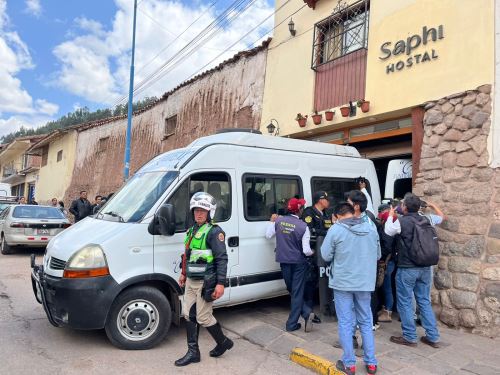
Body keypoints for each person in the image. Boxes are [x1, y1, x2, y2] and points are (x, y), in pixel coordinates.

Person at [321, 202, 380, 375]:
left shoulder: (336, 229)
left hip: (342, 282)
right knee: (366, 321)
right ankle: (371, 363)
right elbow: (377, 255)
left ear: (337, 216)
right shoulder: (371, 229)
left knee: (346, 323)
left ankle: (349, 364)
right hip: (364, 282)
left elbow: (325, 255)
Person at [175, 192, 233, 367]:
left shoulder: (215, 232)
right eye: (196, 210)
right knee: (187, 314)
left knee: (203, 317)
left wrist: (221, 283)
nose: (199, 214)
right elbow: (188, 255)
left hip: (206, 282)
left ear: (210, 213)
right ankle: (193, 352)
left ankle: (223, 342)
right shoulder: (192, 231)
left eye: (203, 211)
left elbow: (222, 259)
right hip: (191, 280)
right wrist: (183, 273)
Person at [384, 194, 444, 348]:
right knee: (424, 301)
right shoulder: (428, 219)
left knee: (404, 302)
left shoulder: (401, 222)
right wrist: (431, 205)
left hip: (407, 268)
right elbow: (442, 217)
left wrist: (391, 215)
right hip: (425, 267)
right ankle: (433, 337)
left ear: (404, 207)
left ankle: (410, 337)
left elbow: (388, 231)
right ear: (419, 207)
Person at [265, 197, 314, 332]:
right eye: (302, 208)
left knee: (292, 289)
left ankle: (303, 315)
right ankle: (294, 322)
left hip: (284, 262)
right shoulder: (303, 226)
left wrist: (271, 221)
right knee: (296, 292)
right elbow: (306, 250)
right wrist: (313, 253)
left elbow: (268, 235)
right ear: (299, 210)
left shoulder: (279, 221)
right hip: (299, 263)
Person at [347, 189, 380, 330]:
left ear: (356, 206)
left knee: (356, 306)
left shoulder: (358, 224)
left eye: (348, 203)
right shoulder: (369, 221)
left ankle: (353, 336)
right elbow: (377, 253)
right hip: (366, 272)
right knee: (362, 308)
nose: (345, 206)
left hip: (357, 271)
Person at [301, 190, 333, 322]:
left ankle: (327, 307)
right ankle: (309, 312)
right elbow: (309, 230)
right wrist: (328, 232)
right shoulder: (309, 212)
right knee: (310, 282)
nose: (328, 201)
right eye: (326, 199)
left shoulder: (327, 213)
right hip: (313, 253)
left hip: (325, 253)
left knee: (325, 281)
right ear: (320, 200)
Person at [376, 204, 397, 323]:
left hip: (387, 261)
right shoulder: (393, 225)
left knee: (387, 286)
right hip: (390, 260)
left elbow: (386, 247)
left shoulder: (387, 229)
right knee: (385, 286)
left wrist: (381, 258)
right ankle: (385, 308)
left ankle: (388, 311)